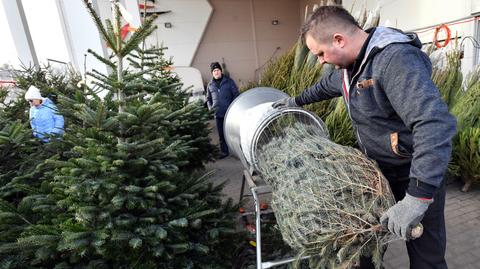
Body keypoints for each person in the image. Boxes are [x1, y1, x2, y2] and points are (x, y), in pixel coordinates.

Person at [273, 6, 456, 269]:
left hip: (413, 175)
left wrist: (418, 197)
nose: (321, 61)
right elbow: (328, 86)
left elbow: (434, 123)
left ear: (339, 39)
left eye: (321, 53)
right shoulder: (351, 67)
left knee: (426, 255)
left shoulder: (394, 60)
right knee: (363, 247)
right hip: (379, 174)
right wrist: (295, 101)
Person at [206, 62, 239, 159]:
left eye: (217, 70)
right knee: (221, 135)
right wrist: (210, 108)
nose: (216, 72)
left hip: (230, 113)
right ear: (212, 73)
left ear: (221, 71)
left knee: (233, 134)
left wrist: (233, 107)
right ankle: (224, 152)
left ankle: (237, 152)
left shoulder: (229, 82)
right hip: (218, 114)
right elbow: (208, 98)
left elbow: (236, 95)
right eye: (214, 71)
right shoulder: (210, 85)